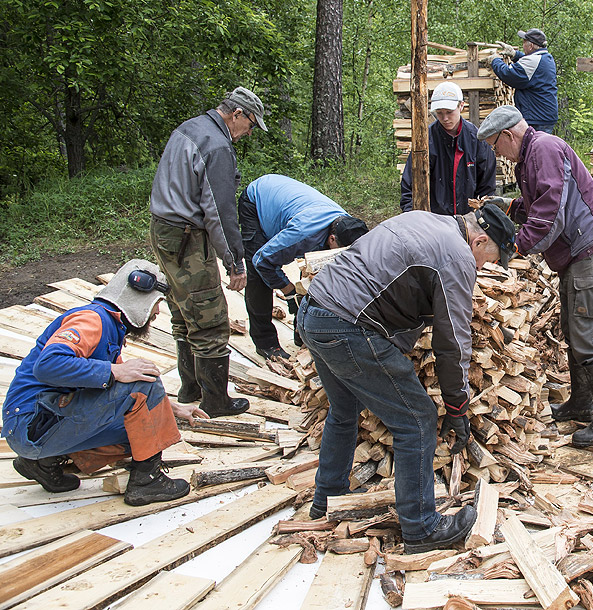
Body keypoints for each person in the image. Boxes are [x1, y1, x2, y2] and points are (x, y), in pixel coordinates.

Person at [296, 204, 516, 552]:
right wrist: (457, 408)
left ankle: (329, 499)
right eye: (488, 259)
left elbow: (394, 287)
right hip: (347, 324)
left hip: (315, 312)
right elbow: (452, 342)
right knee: (417, 420)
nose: (484, 267)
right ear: (479, 241)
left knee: (344, 408)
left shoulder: (427, 220)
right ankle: (422, 529)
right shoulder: (456, 256)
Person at [477, 105, 593, 448]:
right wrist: (508, 207)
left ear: (508, 135)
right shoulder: (530, 155)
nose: (495, 152)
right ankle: (582, 403)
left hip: (587, 250)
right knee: (575, 328)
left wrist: (517, 247)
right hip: (576, 252)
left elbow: (550, 213)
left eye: (494, 144)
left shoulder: (542, 149)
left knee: (587, 330)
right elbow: (538, 202)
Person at [2, 260, 208, 506]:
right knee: (147, 380)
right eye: (156, 304)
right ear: (138, 298)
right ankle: (147, 482)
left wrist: (173, 409)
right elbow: (48, 365)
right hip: (33, 422)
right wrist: (115, 370)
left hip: (36, 427)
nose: (156, 314)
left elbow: (122, 393)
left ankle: (41, 463)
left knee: (140, 428)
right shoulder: (92, 320)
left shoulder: (111, 329)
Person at [150, 87, 267, 417]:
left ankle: (191, 387)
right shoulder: (216, 145)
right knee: (209, 316)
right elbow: (219, 210)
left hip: (163, 229)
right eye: (251, 125)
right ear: (237, 115)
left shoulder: (191, 127)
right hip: (187, 236)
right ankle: (215, 400)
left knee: (182, 307)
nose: (249, 133)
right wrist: (235, 261)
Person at [238, 174, 369, 360]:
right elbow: (262, 261)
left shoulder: (348, 226)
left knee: (315, 270)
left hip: (289, 201)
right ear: (332, 239)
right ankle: (266, 343)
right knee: (259, 276)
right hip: (257, 200)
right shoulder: (303, 234)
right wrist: (290, 292)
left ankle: (302, 333)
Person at [400, 81, 497, 215]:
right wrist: (413, 218)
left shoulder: (477, 140)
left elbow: (487, 188)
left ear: (461, 106)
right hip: (433, 220)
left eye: (449, 112)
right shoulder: (425, 141)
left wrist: (480, 219)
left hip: (468, 221)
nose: (445, 118)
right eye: (439, 113)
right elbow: (409, 185)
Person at [491, 28, 559, 133]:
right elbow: (530, 65)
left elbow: (509, 74)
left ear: (531, 46)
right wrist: (515, 54)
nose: (523, 45)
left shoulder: (534, 60)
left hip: (537, 118)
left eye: (524, 42)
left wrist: (495, 61)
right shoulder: (545, 58)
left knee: (533, 148)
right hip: (543, 115)